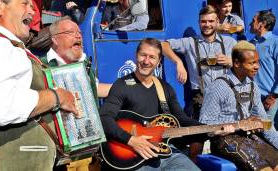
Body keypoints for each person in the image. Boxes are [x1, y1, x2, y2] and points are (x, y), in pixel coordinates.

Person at [100, 38, 231, 170]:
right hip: (134, 155)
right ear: (136, 55)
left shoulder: (164, 88)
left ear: (159, 61)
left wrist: (212, 129)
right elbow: (104, 118)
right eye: (143, 55)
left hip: (166, 153)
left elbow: (182, 119)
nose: (146, 61)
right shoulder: (121, 85)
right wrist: (131, 140)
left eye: (152, 57)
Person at [0, 0, 80, 170]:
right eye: (24, 3)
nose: (33, 11)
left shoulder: (8, 45)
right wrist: (57, 96)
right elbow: (1, 108)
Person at [200, 40, 278, 171]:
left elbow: (265, 123)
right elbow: (205, 124)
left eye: (257, 62)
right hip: (224, 140)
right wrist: (221, 130)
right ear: (236, 63)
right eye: (252, 63)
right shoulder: (218, 86)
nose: (257, 66)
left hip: (248, 137)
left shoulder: (253, 86)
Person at [162, 5, 237, 120]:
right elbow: (163, 45)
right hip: (201, 98)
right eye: (203, 21)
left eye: (211, 21)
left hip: (226, 96)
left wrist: (231, 62)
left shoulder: (230, 42)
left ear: (217, 22)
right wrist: (178, 62)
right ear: (199, 22)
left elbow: (244, 65)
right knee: (204, 134)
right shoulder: (190, 42)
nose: (207, 25)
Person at [43, 16, 111, 98]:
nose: (78, 36)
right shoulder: (42, 65)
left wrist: (122, 88)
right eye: (71, 32)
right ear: (55, 39)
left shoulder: (84, 61)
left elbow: (94, 88)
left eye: (80, 33)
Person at [249, 9, 278, 129]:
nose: (250, 23)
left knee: (270, 134)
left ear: (262, 23)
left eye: (253, 20)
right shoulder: (251, 44)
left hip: (270, 100)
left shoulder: (275, 43)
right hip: (253, 101)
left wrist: (274, 96)